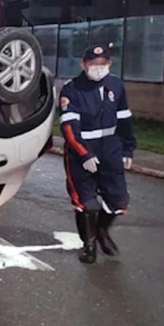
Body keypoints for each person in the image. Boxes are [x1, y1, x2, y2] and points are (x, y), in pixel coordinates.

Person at [59, 45, 136, 264]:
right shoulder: (71, 89)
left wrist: (128, 148)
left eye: (102, 64)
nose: (98, 68)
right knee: (87, 203)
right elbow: (69, 128)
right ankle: (89, 245)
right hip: (81, 149)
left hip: (111, 147)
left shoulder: (116, 86)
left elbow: (124, 120)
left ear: (109, 65)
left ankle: (101, 231)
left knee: (118, 198)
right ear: (83, 65)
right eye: (93, 64)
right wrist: (84, 155)